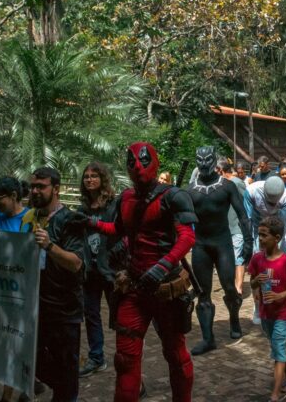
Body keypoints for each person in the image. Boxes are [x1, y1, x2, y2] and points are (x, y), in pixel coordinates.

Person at [110, 142, 197, 402]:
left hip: (165, 289)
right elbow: (121, 230)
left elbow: (187, 237)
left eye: (144, 161)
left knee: (176, 354)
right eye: (132, 162)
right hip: (134, 287)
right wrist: (100, 231)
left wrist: (162, 266)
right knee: (124, 359)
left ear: (155, 161)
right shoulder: (125, 198)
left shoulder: (173, 196)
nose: (138, 167)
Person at [22, 167, 84, 402]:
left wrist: (50, 246)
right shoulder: (30, 218)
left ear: (56, 189)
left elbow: (76, 263)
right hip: (37, 309)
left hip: (64, 310)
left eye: (41, 187)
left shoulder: (71, 220)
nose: (35, 191)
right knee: (36, 361)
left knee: (66, 370)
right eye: (33, 186)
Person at [188, 146, 252, 355]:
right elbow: (180, 219)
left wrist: (248, 242)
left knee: (230, 288)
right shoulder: (190, 189)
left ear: (214, 161)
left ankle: (234, 318)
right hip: (200, 245)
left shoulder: (227, 186)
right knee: (202, 292)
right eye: (200, 160)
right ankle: (208, 338)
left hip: (223, 243)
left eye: (208, 160)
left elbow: (243, 214)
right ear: (196, 161)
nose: (204, 164)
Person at [248, 216, 286, 402]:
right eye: (259, 235)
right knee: (277, 347)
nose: (260, 239)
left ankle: (275, 393)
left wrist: (281, 296)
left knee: (278, 350)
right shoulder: (257, 259)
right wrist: (256, 284)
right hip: (265, 313)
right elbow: (252, 280)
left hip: (282, 313)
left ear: (277, 237)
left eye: (264, 235)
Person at [0, 176, 29, 402]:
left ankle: (8, 394)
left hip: (22, 292)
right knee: (3, 343)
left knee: (16, 343)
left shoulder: (30, 218)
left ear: (14, 196)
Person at [73, 162, 119, 377]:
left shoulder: (113, 206)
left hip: (111, 270)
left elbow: (124, 234)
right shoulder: (81, 209)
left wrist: (113, 255)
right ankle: (96, 357)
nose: (89, 179)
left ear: (102, 179)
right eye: (86, 176)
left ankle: (126, 356)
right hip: (89, 271)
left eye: (94, 176)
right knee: (91, 314)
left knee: (119, 316)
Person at [244, 177, 286, 333]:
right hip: (258, 232)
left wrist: (274, 251)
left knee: (284, 275)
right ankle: (257, 309)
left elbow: (282, 227)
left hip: (276, 234)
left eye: (274, 204)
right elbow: (247, 220)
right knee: (259, 273)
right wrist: (252, 245)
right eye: (269, 203)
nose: (271, 207)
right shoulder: (251, 191)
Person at [218, 160, 248, 295]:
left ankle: (239, 288)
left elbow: (245, 204)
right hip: (225, 227)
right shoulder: (220, 185)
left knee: (238, 257)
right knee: (229, 258)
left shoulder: (237, 183)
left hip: (237, 227)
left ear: (221, 171)